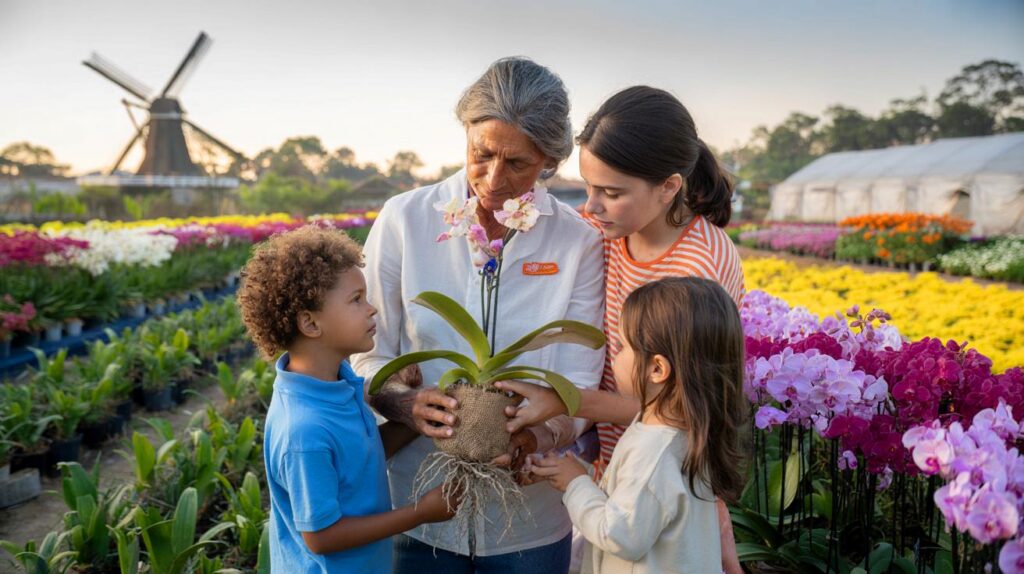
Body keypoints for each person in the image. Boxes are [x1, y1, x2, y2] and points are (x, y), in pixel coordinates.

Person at [351, 57, 605, 573]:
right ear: (465, 134)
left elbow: (580, 382)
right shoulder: (407, 219)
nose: (494, 180)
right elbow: (361, 356)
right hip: (418, 506)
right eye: (481, 154)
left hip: (528, 514)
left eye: (519, 164)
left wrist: (540, 436)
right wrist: (405, 405)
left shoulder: (576, 240)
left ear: (551, 160)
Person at [493, 85, 746, 572]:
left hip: (664, 477)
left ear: (669, 186)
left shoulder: (699, 266)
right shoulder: (611, 235)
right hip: (617, 464)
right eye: (588, 187)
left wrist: (564, 400)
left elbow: (682, 405)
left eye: (611, 192)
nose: (591, 207)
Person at [237, 225, 459, 573]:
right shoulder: (304, 430)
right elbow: (322, 536)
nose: (372, 310)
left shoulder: (337, 382)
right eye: (357, 299)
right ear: (310, 323)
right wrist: (421, 513)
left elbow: (358, 459)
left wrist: (419, 418)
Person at [530, 277, 748, 573]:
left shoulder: (655, 451)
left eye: (624, 347)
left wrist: (575, 484)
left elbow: (619, 534)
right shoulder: (687, 429)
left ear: (657, 369)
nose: (615, 357)